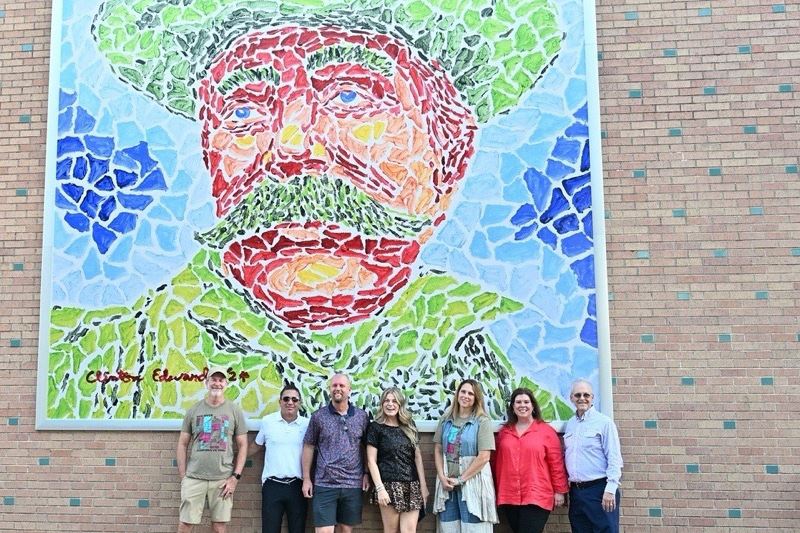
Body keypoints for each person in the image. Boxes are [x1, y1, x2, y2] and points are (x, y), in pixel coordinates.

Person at [47, 0, 573, 424]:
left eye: (350, 95)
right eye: (245, 109)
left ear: (449, 160)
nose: (293, 148)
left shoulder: (514, 401)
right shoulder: (78, 367)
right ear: (210, 154)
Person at [176, 367, 248, 533]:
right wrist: (183, 477)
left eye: (220, 380)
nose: (217, 383)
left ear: (226, 384)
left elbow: (243, 445)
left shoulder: (234, 411)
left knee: (219, 527)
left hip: (222, 479)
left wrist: (235, 478)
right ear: (206, 383)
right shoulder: (194, 410)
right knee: (185, 525)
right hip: (194, 478)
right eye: (213, 380)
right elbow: (182, 444)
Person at [492, 387, 568, 533]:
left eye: (526, 402)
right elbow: (496, 463)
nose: (522, 405)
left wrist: (560, 490)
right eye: (518, 402)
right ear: (513, 407)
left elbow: (556, 463)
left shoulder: (546, 431)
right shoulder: (504, 433)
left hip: (537, 495)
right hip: (510, 495)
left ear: (533, 406)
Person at [302, 373, 370, 533]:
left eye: (341, 385)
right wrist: (306, 478)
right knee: (324, 531)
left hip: (352, 483)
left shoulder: (361, 416)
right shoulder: (318, 416)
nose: (337, 388)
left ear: (349, 390)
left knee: (346, 530)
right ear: (329, 389)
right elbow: (308, 446)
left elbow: (367, 447)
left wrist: (366, 473)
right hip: (325, 484)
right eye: (334, 385)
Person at [432, 379, 497, 533]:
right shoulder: (447, 419)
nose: (466, 396)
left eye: (470, 393)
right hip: (447, 485)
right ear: (457, 394)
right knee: (448, 528)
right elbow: (438, 449)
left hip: (473, 484)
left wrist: (460, 480)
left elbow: (484, 457)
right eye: (463, 391)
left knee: (474, 529)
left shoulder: (482, 421)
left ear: (476, 398)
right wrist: (442, 477)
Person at [366, 387, 429, 533]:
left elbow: (417, 456)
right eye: (386, 401)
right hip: (388, 486)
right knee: (391, 530)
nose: (390, 404)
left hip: (412, 485)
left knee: (409, 531)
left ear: (400, 404)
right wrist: (380, 489)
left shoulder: (409, 425)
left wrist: (423, 486)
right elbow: (371, 461)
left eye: (394, 401)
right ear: (382, 404)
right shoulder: (376, 428)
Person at [564, 379, 623, 533]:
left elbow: (614, 458)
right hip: (576, 493)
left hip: (600, 490)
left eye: (586, 395)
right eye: (577, 395)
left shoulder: (604, 423)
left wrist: (610, 489)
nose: (582, 398)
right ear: (571, 398)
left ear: (592, 398)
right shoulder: (570, 424)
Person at [250, 383, 309, 533]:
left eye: (294, 400)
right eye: (286, 399)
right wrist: (235, 459)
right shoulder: (268, 422)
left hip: (297, 485)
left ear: (299, 403)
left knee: (298, 530)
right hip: (272, 485)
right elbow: (256, 445)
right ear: (280, 401)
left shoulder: (307, 424)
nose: (290, 402)